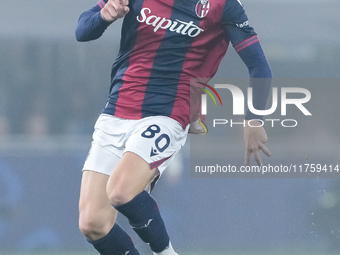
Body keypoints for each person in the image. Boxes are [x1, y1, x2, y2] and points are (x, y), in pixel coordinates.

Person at [75, 0, 272, 254]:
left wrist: (254, 118)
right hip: (116, 111)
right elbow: (82, 31)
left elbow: (259, 66)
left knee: (121, 191)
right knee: (93, 224)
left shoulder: (223, 5)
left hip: (167, 114)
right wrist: (104, 15)